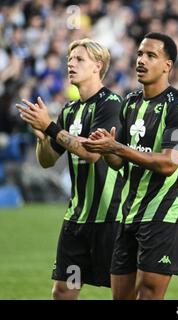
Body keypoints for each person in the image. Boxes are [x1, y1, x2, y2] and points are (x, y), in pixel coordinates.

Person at [82, 32, 178, 300]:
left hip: (164, 214)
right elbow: (118, 161)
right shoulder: (130, 103)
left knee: (148, 295)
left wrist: (117, 147)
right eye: (139, 54)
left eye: (151, 55)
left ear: (168, 65)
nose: (141, 61)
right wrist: (107, 147)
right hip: (129, 213)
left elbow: (169, 163)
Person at [16, 38, 123, 299]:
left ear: (98, 66)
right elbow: (47, 160)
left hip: (110, 219)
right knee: (64, 291)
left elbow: (92, 153)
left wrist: (51, 126)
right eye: (69, 61)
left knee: (123, 293)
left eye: (79, 60)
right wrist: (42, 137)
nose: (71, 65)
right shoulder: (70, 110)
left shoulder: (110, 103)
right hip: (76, 220)